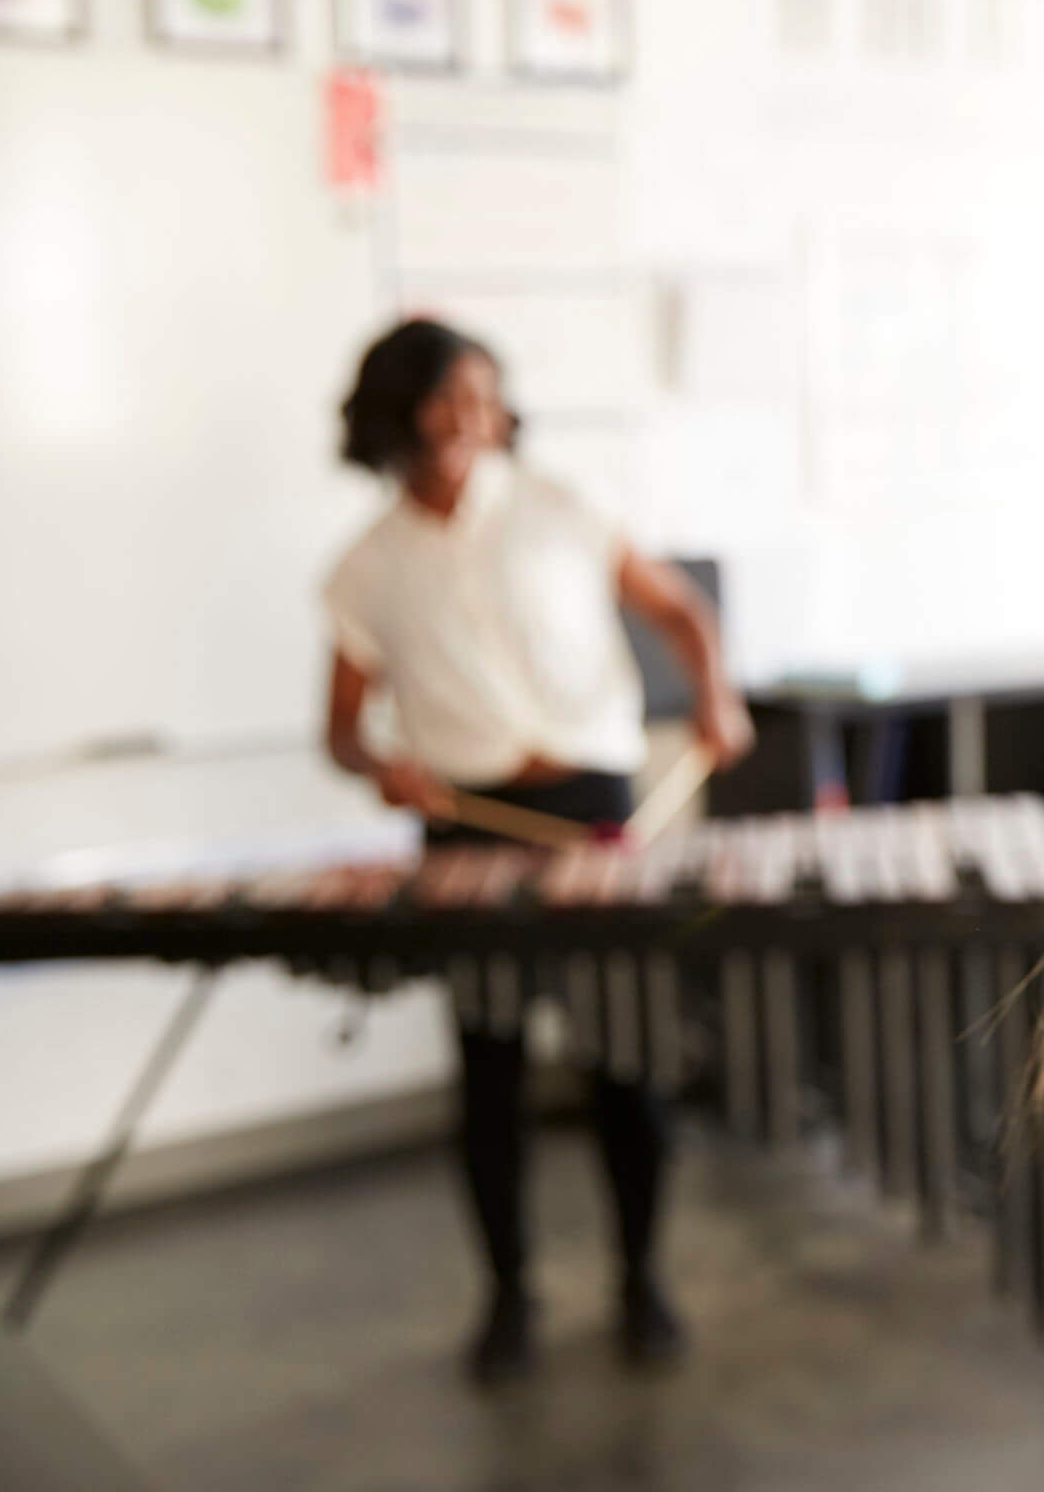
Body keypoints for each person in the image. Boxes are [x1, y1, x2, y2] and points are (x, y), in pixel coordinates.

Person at [322, 318, 754, 1382]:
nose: (477, 418)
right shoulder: (365, 567)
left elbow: (683, 612)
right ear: (400, 412)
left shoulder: (560, 508)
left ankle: (640, 1279)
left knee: (623, 1060)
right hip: (465, 824)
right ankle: (509, 1296)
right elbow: (340, 727)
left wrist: (714, 696)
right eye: (451, 397)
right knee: (490, 1069)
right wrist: (380, 766)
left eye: (488, 395)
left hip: (595, 807)